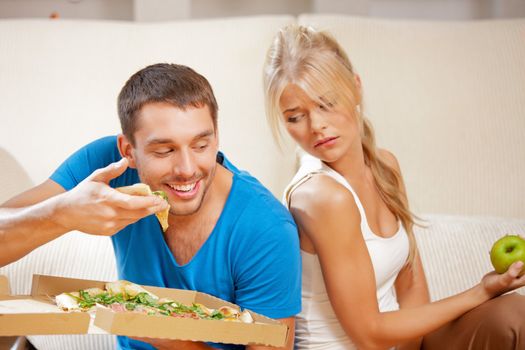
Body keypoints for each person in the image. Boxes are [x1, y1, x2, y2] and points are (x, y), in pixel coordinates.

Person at [0, 63, 301, 350]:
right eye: (164, 150)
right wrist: (62, 213)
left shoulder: (267, 229)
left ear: (216, 137)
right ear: (128, 150)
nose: (186, 169)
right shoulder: (109, 168)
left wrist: (165, 334)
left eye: (200, 145)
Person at [262, 25, 525, 350]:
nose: (316, 126)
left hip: (400, 344)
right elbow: (368, 334)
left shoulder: (385, 167)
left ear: (356, 88)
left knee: (513, 315)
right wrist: (482, 291)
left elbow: (412, 290)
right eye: (294, 117)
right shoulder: (321, 197)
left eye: (326, 103)